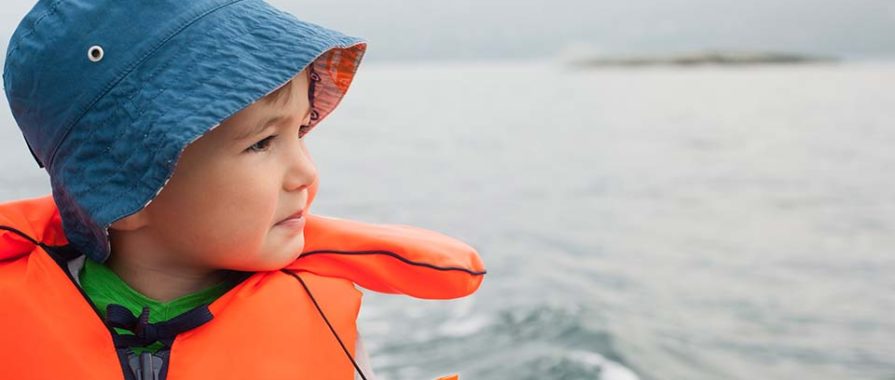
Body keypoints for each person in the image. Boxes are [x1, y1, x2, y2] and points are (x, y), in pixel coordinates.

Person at [0, 1, 485, 379]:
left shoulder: (326, 328)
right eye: (261, 143)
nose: (306, 173)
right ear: (127, 192)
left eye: (299, 132)